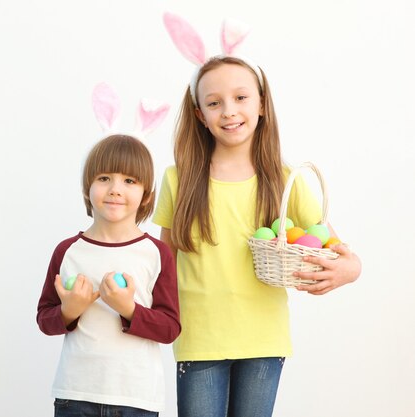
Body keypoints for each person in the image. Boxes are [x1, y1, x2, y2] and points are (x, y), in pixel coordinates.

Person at [155, 14, 362, 417]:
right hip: (200, 338)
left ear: (262, 104)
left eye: (241, 97)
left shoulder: (285, 179)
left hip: (264, 339)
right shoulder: (178, 178)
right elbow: (165, 262)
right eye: (214, 102)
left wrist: (350, 268)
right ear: (199, 114)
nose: (228, 110)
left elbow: (331, 244)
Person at [37, 134, 181, 417]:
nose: (115, 189)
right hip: (74, 395)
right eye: (104, 178)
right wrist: (68, 311)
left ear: (146, 195)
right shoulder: (68, 251)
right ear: (86, 188)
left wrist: (128, 309)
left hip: (136, 398)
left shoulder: (156, 253)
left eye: (129, 181)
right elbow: (45, 320)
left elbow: (170, 328)